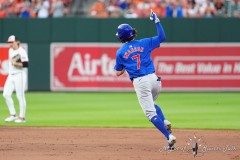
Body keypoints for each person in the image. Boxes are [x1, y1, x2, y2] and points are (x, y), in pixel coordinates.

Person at [114, 10, 176, 149]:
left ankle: (169, 136)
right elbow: (162, 37)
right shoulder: (145, 42)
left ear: (121, 38)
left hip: (141, 82)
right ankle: (164, 120)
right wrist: (157, 20)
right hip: (155, 79)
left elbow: (118, 72)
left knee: (149, 113)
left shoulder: (121, 52)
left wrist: (124, 66)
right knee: (152, 104)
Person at [3, 35, 29, 123]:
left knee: (20, 96)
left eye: (11, 42)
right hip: (11, 75)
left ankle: (22, 117)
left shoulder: (22, 51)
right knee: (6, 94)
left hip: (20, 75)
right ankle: (13, 114)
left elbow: (26, 65)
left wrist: (16, 64)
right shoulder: (10, 50)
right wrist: (14, 63)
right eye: (9, 42)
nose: (10, 44)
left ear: (17, 42)